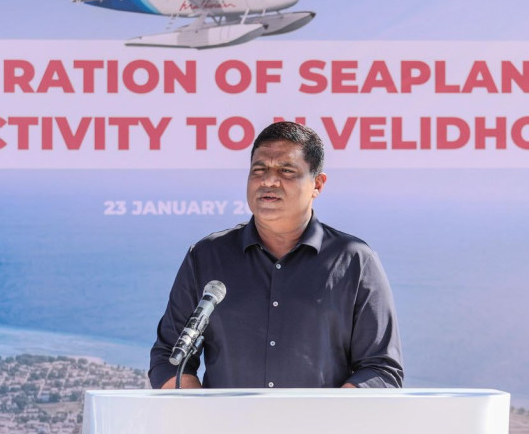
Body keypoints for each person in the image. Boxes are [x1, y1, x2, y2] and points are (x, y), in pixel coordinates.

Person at [149, 121, 403, 389]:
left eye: (286, 170)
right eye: (259, 170)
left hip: (321, 419)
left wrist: (329, 414)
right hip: (225, 419)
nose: (268, 181)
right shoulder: (207, 256)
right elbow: (169, 358)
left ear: (317, 184)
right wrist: (203, 412)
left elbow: (380, 370)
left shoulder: (354, 261)